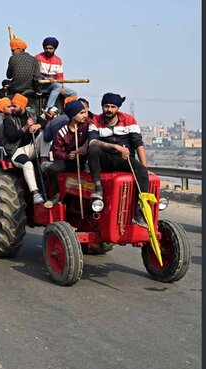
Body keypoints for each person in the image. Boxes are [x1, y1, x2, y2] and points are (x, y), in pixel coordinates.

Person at [87, 93, 149, 227]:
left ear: (118, 108)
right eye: (106, 106)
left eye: (112, 107)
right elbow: (92, 141)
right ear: (102, 107)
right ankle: (98, 188)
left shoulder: (129, 120)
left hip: (124, 159)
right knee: (93, 148)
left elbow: (138, 144)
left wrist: (145, 167)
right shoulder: (96, 121)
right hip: (106, 159)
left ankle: (140, 212)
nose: (109, 109)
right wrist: (115, 146)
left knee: (142, 172)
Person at [42, 100, 89, 208]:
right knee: (51, 169)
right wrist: (68, 156)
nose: (85, 115)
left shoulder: (87, 125)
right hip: (72, 161)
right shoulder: (62, 132)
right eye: (81, 113)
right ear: (73, 116)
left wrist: (85, 147)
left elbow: (94, 136)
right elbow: (57, 151)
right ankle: (56, 195)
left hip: (86, 160)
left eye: (84, 112)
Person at [3, 93, 45, 204]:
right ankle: (35, 194)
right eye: (11, 105)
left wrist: (38, 125)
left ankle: (44, 161)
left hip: (32, 147)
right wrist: (26, 127)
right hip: (17, 150)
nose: (12, 108)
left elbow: (45, 123)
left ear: (22, 106)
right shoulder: (8, 119)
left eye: (14, 106)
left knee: (45, 135)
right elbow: (11, 137)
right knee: (28, 164)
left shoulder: (31, 114)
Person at [35, 37, 77, 110]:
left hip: (53, 84)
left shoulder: (58, 60)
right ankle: (48, 108)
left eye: (50, 48)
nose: (48, 50)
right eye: (46, 48)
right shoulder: (38, 58)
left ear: (54, 49)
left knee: (73, 93)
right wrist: (45, 78)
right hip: (41, 84)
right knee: (57, 86)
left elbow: (60, 76)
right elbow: (35, 73)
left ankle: (70, 111)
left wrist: (62, 87)